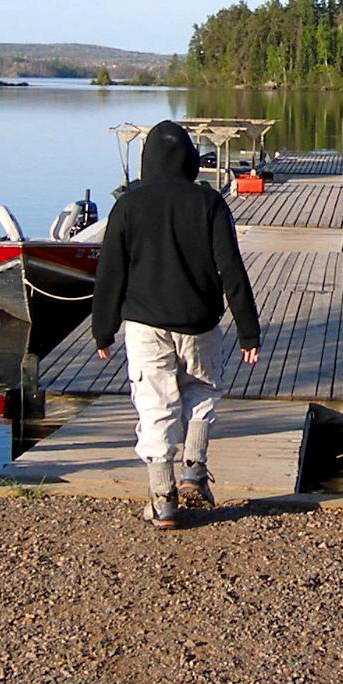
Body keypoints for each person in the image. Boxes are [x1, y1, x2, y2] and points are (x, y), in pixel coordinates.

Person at [91, 120, 261, 528]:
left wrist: (104, 328)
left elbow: (110, 273)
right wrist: (248, 329)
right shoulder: (209, 204)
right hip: (199, 322)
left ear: (148, 160)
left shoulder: (127, 206)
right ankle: (194, 472)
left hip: (145, 323)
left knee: (155, 405)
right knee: (202, 389)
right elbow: (231, 270)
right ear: (189, 160)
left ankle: (163, 498)